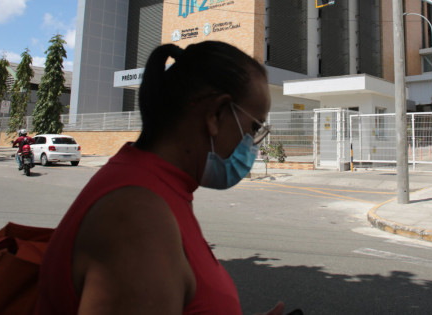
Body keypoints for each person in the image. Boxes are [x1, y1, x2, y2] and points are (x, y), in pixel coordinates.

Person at [36, 41, 282, 314]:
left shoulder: (159, 189)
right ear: (216, 114)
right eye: (254, 126)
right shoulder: (135, 219)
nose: (253, 143)